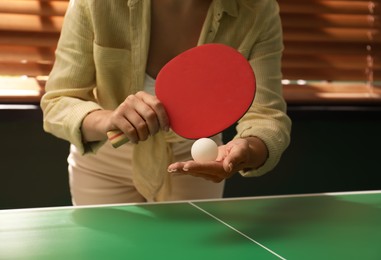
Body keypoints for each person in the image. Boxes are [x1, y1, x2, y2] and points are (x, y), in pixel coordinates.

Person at [40, 0, 291, 205]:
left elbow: (266, 115)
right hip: (104, 162)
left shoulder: (258, 10)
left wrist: (247, 149)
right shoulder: (95, 3)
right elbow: (58, 101)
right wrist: (109, 119)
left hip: (196, 163)